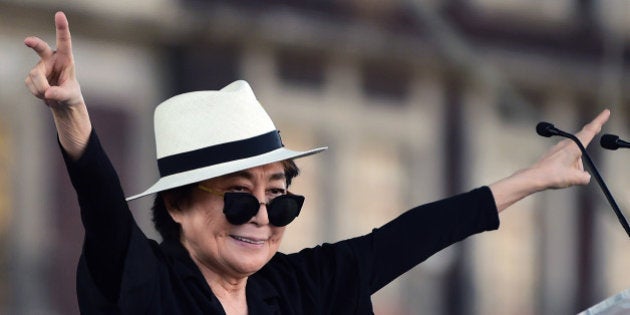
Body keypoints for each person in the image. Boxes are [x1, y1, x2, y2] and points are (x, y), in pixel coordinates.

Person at [24, 11, 610, 315]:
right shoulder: (145, 286)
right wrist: (73, 113)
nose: (261, 216)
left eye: (279, 197)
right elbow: (101, 208)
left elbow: (406, 237)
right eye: (237, 196)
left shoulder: (297, 288)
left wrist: (532, 179)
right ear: (177, 205)